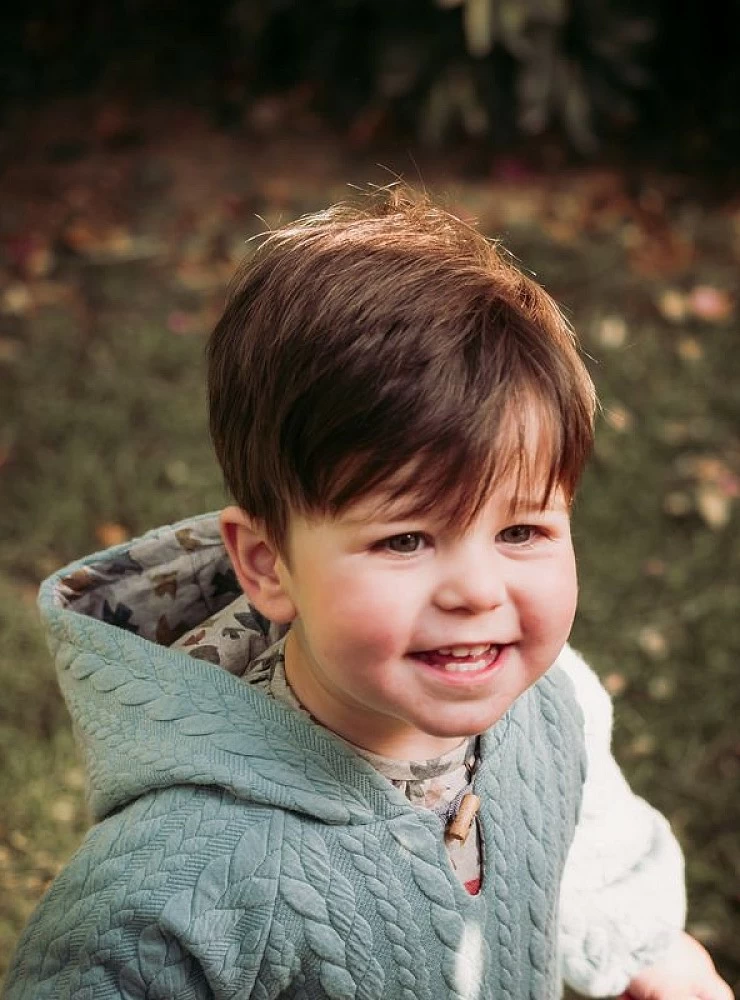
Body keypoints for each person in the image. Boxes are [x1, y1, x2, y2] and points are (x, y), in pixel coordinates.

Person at [4, 189, 732, 1000]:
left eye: (521, 532)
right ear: (269, 564)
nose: (476, 591)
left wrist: (650, 956)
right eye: (406, 540)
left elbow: (582, 834)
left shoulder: (552, 707)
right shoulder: (175, 892)